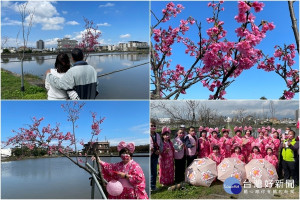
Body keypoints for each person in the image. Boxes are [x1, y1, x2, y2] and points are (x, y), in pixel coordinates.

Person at [150, 121, 160, 191]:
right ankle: (150, 186)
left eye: (154, 126)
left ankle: (153, 186)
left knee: (154, 171)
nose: (153, 127)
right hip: (150, 155)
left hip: (156, 155)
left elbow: (161, 144)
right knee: (150, 171)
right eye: (151, 126)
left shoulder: (158, 135)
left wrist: (159, 150)